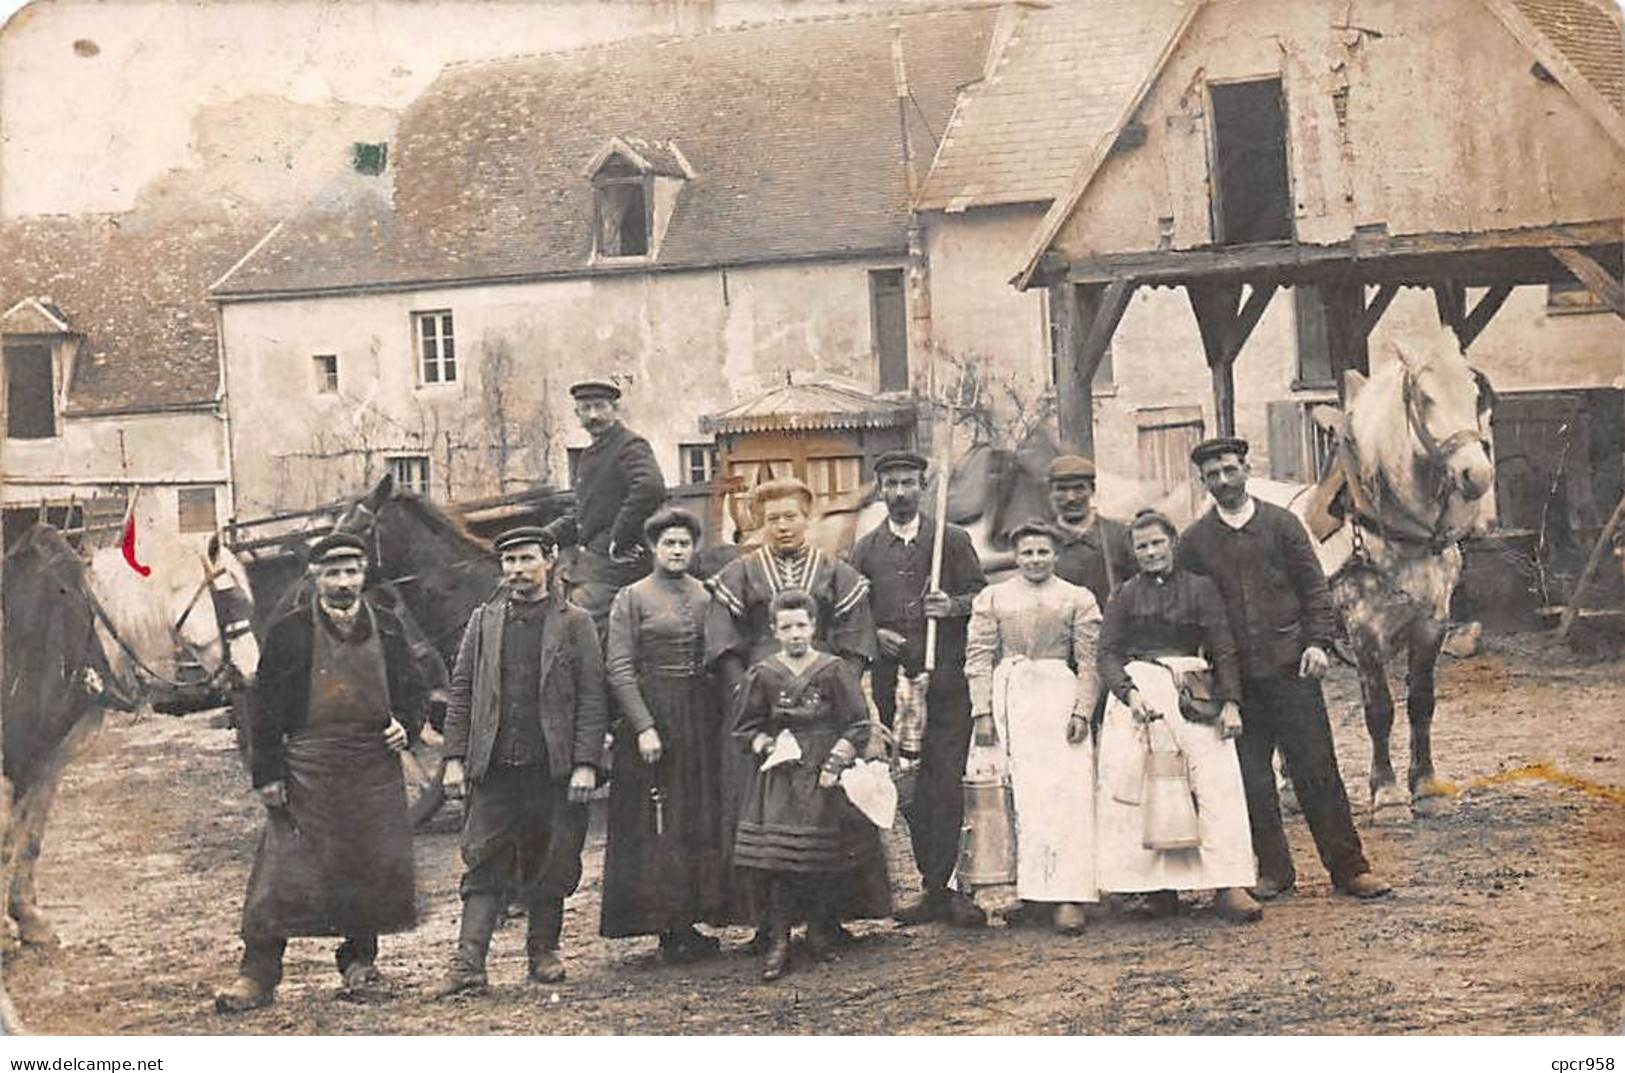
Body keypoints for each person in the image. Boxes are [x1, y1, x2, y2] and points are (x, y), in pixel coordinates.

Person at [215, 532, 428, 1014]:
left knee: (366, 865)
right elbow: (263, 709)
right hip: (307, 767)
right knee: (280, 872)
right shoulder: (290, 631)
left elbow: (416, 690)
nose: (343, 583)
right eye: (332, 573)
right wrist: (267, 775)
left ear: (364, 574)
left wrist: (407, 727)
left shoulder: (390, 627)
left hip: (372, 767)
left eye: (351, 572)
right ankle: (259, 974)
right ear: (315, 577)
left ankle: (359, 965)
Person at [1176, 437, 1391, 901]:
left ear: (1246, 469)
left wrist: (1318, 642)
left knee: (1317, 770)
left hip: (1291, 670)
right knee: (1253, 778)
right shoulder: (1195, 542)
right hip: (1236, 682)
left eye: (1230, 470)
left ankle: (1349, 868)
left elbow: (1315, 589)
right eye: (1213, 475)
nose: (1224, 481)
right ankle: (1274, 869)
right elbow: (1189, 608)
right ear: (1204, 481)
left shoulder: (1283, 525)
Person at [705, 477, 885, 930]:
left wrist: (837, 689)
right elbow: (723, 640)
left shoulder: (833, 570)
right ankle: (768, 924)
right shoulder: (742, 572)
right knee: (760, 812)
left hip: (824, 707)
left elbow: (856, 638)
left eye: (790, 517)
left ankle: (830, 921)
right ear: (759, 524)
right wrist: (744, 692)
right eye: (771, 520)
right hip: (761, 701)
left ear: (807, 518)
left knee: (830, 808)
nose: (782, 526)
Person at [436, 526, 609, 996]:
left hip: (552, 768)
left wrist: (586, 763)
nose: (516, 570)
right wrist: (454, 757)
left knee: (552, 857)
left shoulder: (576, 622)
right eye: (508, 561)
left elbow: (594, 698)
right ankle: (469, 962)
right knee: (483, 858)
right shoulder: (483, 621)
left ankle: (543, 952)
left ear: (549, 560)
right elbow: (462, 694)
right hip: (495, 767)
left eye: (526, 559)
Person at [1096, 509, 1262, 923]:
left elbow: (1223, 646)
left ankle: (1229, 882)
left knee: (1215, 783)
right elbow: (1108, 652)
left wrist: (1230, 702)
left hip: (1193, 691)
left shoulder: (1201, 589)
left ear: (1172, 543)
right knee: (1146, 788)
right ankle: (1156, 889)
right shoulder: (1125, 594)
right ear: (1133, 553)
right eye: (1142, 546)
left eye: (1157, 543)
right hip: (1140, 696)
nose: (1151, 552)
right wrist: (1128, 693)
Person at [846, 449, 985, 925]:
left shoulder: (951, 539)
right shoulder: (864, 549)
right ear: (880, 490)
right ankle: (931, 885)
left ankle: (954, 887)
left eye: (908, 483)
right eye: (891, 484)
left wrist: (953, 606)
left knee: (945, 782)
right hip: (892, 684)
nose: (900, 492)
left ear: (922, 487)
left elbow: (983, 598)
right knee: (908, 788)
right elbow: (849, 609)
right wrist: (873, 634)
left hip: (944, 681)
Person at [732, 589, 887, 981]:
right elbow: (745, 728)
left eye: (802, 625)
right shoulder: (764, 673)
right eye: (787, 627)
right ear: (774, 631)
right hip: (782, 773)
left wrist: (837, 759)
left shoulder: (834, 670)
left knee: (821, 858)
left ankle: (818, 933)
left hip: (823, 770)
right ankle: (780, 940)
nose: (795, 633)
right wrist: (767, 743)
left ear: (814, 627)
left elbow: (857, 722)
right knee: (781, 861)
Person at [599, 507, 727, 962]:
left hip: (699, 715)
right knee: (657, 823)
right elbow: (618, 667)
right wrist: (644, 726)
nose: (677, 551)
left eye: (684, 543)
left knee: (696, 816)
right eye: (668, 543)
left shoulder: (707, 594)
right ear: (653, 548)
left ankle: (691, 917)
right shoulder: (631, 598)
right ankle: (665, 925)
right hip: (654, 715)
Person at [963, 519, 1102, 934]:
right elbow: (978, 657)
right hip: (1010, 701)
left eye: (1043, 552)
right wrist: (982, 712)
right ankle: (1019, 890)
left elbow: (1090, 662)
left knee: (1065, 794)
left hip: (1057, 697)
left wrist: (1082, 711)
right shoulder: (994, 597)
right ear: (1015, 556)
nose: (1035, 560)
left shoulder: (1077, 598)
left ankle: (1067, 894)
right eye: (1027, 552)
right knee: (1016, 795)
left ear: (1055, 555)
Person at [541, 379, 667, 637]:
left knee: (578, 618)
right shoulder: (590, 454)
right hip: (596, 559)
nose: (593, 415)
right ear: (577, 414)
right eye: (585, 409)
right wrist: (541, 537)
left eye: (600, 407)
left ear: (615, 409)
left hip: (620, 561)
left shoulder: (629, 445)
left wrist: (621, 537)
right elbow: (584, 514)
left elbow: (650, 488)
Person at [1047, 454, 1137, 612]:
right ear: (1050, 493)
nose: (1071, 498)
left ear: (1092, 490)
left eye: (1079, 488)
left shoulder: (1119, 536)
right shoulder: (1043, 541)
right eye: (1061, 489)